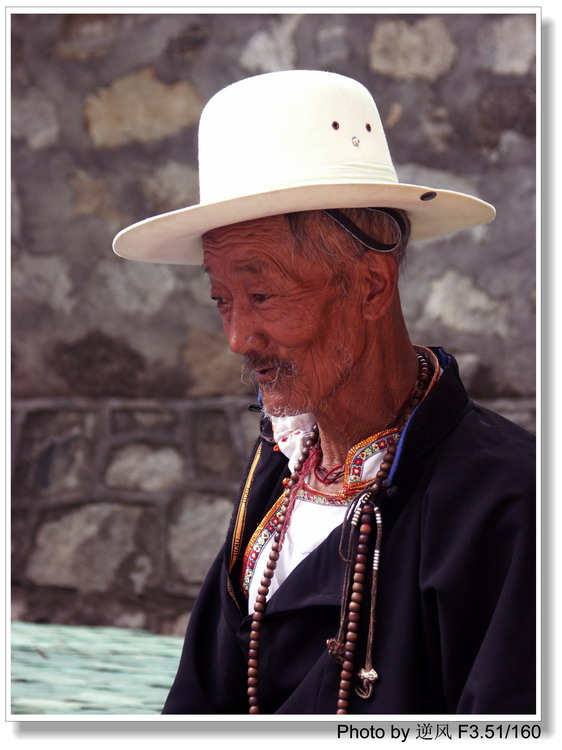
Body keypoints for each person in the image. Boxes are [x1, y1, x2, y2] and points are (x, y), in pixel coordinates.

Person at [113, 70, 535, 715]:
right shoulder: (277, 476)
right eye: (222, 299)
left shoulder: (511, 502)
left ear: (370, 286)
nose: (238, 338)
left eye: (262, 295)